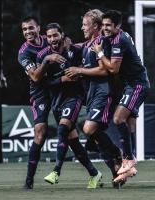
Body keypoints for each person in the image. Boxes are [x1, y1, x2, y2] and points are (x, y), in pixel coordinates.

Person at [36, 23, 102, 189]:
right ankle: (94, 173)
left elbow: (88, 64)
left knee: (62, 129)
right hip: (57, 102)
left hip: (74, 97)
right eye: (49, 36)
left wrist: (80, 70)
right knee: (73, 142)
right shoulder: (43, 56)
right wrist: (60, 78)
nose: (53, 39)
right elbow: (42, 83)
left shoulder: (74, 50)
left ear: (62, 35)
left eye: (55, 35)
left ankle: (56, 172)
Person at [65, 9, 123, 188]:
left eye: (85, 25)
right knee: (95, 138)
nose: (82, 27)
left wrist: (79, 70)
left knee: (89, 129)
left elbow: (103, 70)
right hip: (91, 95)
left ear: (96, 26)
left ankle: (118, 153)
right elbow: (78, 49)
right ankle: (116, 173)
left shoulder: (101, 42)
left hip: (103, 93)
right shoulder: (87, 44)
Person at [91, 10, 150, 182]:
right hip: (130, 85)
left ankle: (129, 159)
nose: (105, 28)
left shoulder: (119, 40)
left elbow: (113, 69)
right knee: (130, 126)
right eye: (103, 25)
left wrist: (99, 53)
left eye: (108, 25)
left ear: (118, 26)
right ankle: (128, 168)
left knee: (118, 119)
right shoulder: (118, 37)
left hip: (137, 85)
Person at [18, 17, 71, 189]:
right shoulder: (24, 52)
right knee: (40, 133)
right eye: (24, 29)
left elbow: (64, 44)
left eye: (31, 28)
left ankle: (93, 172)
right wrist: (47, 59)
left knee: (70, 132)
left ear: (38, 28)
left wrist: (66, 42)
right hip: (40, 93)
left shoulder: (50, 39)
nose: (28, 32)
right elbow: (35, 76)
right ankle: (29, 180)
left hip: (58, 88)